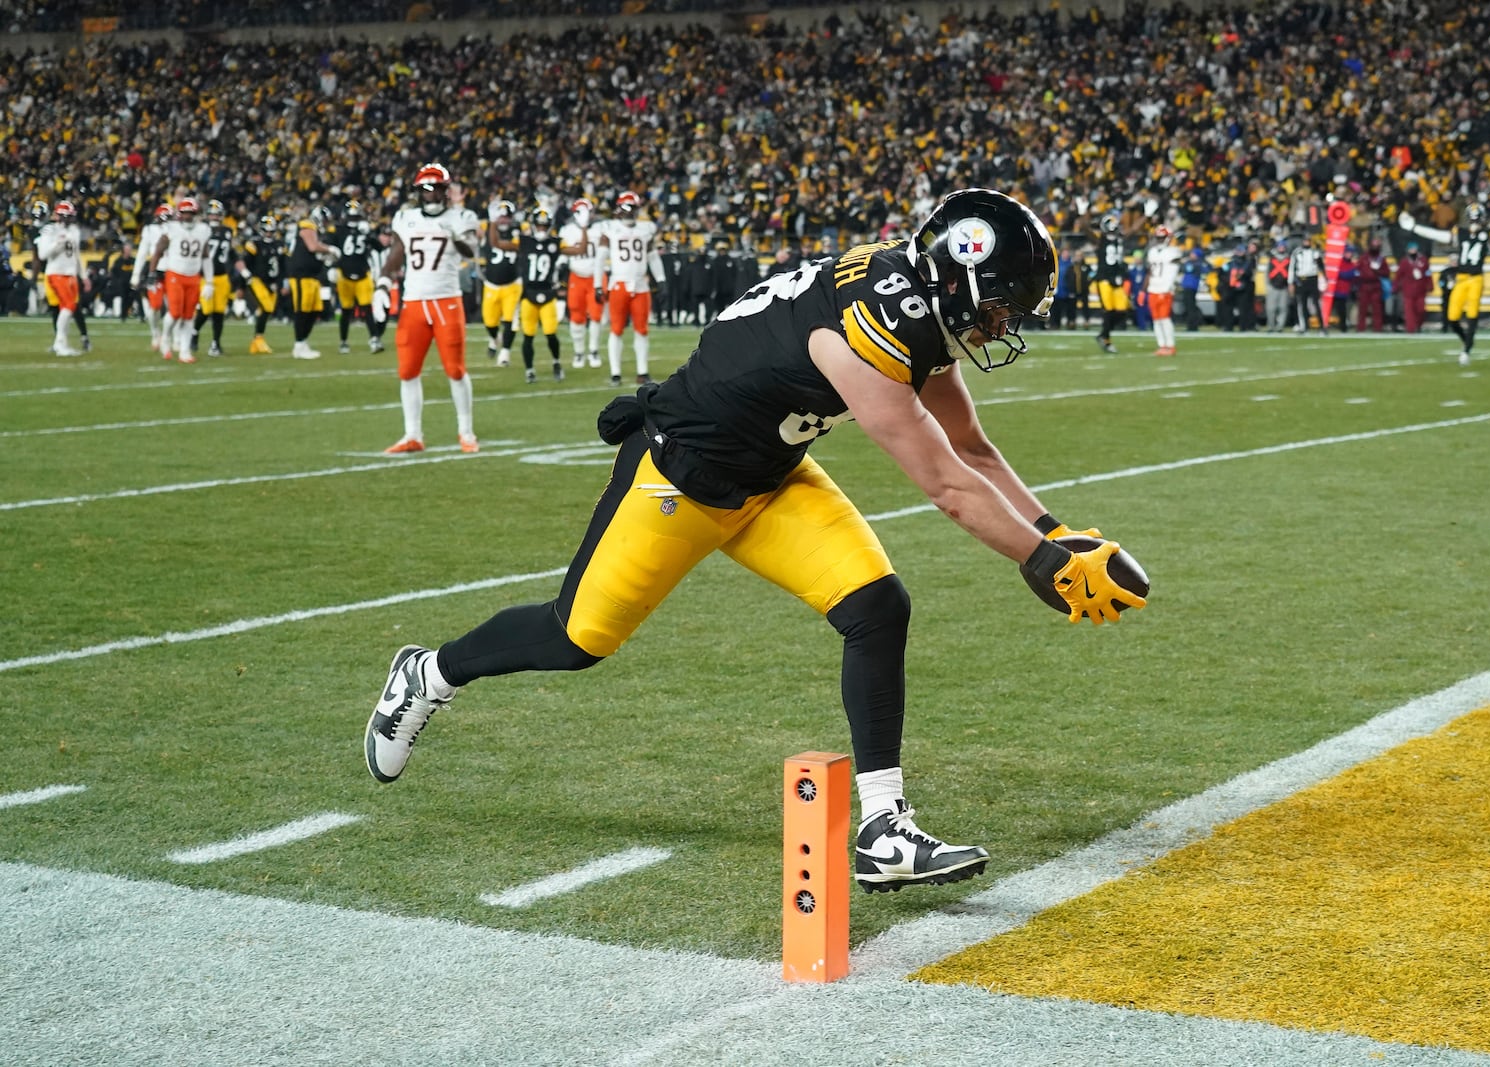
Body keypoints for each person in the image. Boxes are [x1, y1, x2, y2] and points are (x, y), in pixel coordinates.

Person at [362, 187, 1148, 894]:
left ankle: (882, 830)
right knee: (578, 637)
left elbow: (972, 446)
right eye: (1004, 302)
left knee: (878, 606)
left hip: (771, 476)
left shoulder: (919, 304)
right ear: (957, 275)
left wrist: (1056, 533)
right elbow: (944, 485)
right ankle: (430, 671)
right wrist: (1043, 562)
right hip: (679, 480)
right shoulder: (873, 323)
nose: (1006, 322)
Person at [371, 162, 481, 455]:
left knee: (455, 370)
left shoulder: (462, 217)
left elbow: (473, 250)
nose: (429, 195)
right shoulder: (405, 218)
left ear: (445, 191)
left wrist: (455, 237)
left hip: (446, 301)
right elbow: (397, 254)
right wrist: (383, 283)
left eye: (434, 189)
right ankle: (412, 434)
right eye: (424, 190)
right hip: (414, 302)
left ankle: (466, 432)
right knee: (407, 371)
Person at [1398, 201, 1490, 365]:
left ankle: (1466, 350)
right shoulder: (1460, 232)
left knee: (1472, 314)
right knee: (1452, 317)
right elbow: (1440, 236)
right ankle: (1467, 340)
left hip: (1476, 278)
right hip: (1461, 278)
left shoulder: (1488, 233)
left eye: (1476, 219)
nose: (1474, 222)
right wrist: (1414, 228)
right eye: (1472, 219)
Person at [596, 190, 667, 387]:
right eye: (627, 209)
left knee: (642, 330)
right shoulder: (609, 228)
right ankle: (615, 372)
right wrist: (597, 284)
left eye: (633, 209)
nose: (629, 213)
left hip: (641, 285)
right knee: (616, 329)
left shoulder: (645, 230)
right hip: (618, 283)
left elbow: (653, 257)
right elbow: (600, 259)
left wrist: (661, 280)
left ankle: (642, 371)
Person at [150, 198, 216, 363]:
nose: (187, 217)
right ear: (179, 214)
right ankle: (165, 338)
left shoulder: (203, 230)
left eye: (191, 213)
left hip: (194, 276)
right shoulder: (172, 229)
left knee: (189, 316)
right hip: (175, 274)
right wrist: (151, 273)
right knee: (175, 313)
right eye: (185, 213)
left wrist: (209, 281)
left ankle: (185, 351)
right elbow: (158, 251)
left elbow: (206, 257)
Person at [33, 200, 88, 357]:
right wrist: (58, 243)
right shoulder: (49, 230)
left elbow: (76, 255)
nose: (71, 219)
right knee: (68, 307)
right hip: (56, 272)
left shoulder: (74, 231)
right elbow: (43, 254)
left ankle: (61, 342)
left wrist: (83, 276)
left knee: (69, 308)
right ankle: (60, 343)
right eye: (69, 216)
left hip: (70, 274)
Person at [517, 205, 564, 383]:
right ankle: (529, 370)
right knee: (528, 335)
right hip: (529, 294)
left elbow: (579, 250)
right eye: (540, 225)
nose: (542, 229)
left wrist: (582, 229)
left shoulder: (556, 242)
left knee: (550, 332)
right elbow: (499, 244)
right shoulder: (524, 241)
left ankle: (556, 362)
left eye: (545, 226)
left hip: (548, 293)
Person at [286, 204, 337, 360]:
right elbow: (312, 246)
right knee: (303, 310)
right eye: (325, 220)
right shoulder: (307, 224)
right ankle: (298, 345)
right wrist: (330, 250)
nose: (327, 223)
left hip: (312, 276)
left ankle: (303, 342)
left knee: (314, 310)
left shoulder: (317, 230)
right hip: (302, 275)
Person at [559, 197, 605, 369]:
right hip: (576, 276)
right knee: (576, 315)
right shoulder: (567, 230)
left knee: (596, 315)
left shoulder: (601, 228)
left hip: (596, 276)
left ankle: (593, 350)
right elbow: (562, 252)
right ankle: (579, 352)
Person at [334, 199, 384, 355]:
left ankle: (374, 339)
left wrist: (369, 234)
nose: (353, 221)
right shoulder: (339, 231)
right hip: (344, 274)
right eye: (351, 218)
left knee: (367, 309)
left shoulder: (365, 229)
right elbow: (332, 248)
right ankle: (343, 341)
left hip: (363, 273)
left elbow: (379, 247)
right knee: (346, 310)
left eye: (355, 218)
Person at [237, 215, 287, 354]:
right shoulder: (254, 244)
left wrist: (283, 283)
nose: (269, 233)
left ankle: (256, 341)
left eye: (271, 231)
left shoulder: (279, 244)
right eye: (266, 230)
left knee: (267, 310)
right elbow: (245, 264)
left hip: (273, 283)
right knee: (266, 308)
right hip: (257, 280)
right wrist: (241, 286)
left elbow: (283, 267)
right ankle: (259, 339)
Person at [481, 199, 523, 366]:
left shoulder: (518, 232)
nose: (504, 220)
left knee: (510, 321)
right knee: (489, 322)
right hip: (491, 284)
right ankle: (494, 338)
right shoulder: (487, 230)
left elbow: (496, 243)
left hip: (512, 285)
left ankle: (505, 352)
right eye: (501, 217)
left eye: (507, 217)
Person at [131, 201, 173, 353]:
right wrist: (135, 274)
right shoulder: (149, 230)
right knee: (154, 306)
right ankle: (156, 333)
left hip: (174, 270)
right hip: (156, 271)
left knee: (174, 307)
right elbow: (142, 253)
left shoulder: (177, 230)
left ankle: (174, 337)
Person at [195, 200, 235, 357]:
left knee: (219, 312)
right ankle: (194, 331)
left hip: (222, 276)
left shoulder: (228, 231)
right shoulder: (201, 230)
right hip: (205, 276)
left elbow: (230, 252)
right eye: (211, 213)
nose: (214, 216)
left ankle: (215, 344)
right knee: (206, 310)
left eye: (216, 214)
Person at [1092, 212, 1128, 352]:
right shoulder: (1100, 241)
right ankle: (1106, 339)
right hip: (1104, 279)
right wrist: (1082, 213)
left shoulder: (1119, 240)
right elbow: (1085, 228)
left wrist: (1146, 216)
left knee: (1122, 311)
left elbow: (1133, 231)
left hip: (1116, 281)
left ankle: (1103, 335)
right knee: (1108, 311)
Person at [1145, 226, 1182, 356]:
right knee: (1156, 319)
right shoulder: (1152, 252)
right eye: (1158, 237)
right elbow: (1150, 271)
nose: (1160, 240)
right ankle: (1161, 345)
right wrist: (1143, 290)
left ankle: (1170, 345)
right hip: (1153, 288)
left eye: (1162, 237)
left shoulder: (1173, 252)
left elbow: (1174, 268)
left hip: (1165, 289)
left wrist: (1167, 288)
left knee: (1164, 318)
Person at [1289, 237, 1328, 335]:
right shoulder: (1297, 252)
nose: (1306, 242)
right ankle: (1304, 326)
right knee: (1302, 304)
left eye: (1308, 241)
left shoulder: (1315, 252)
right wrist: (1290, 282)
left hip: (1313, 279)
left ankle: (1322, 327)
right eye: (1305, 241)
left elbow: (1321, 266)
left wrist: (1325, 279)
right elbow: (1292, 267)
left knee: (1316, 304)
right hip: (1301, 280)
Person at [1354, 238, 1390, 332]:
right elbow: (1357, 270)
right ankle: (1361, 328)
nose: (1375, 247)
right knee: (1363, 308)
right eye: (1374, 246)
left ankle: (1377, 328)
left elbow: (1386, 272)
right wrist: (1358, 281)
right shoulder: (1364, 258)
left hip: (1376, 285)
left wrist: (1378, 271)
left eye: (1377, 246)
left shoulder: (1381, 259)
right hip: (1364, 286)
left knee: (1377, 309)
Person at [1395, 241, 1432, 333]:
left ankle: (1418, 325)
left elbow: (1428, 273)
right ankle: (1410, 329)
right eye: (1411, 249)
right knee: (1409, 311)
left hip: (1420, 288)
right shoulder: (1404, 261)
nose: (1413, 250)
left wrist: (1430, 285)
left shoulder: (1423, 260)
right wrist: (1395, 286)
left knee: (1421, 310)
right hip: (1408, 289)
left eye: (1414, 248)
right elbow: (1399, 275)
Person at [1264, 239, 1292, 331]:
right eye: (1280, 247)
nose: (1281, 248)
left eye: (1283, 247)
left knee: (1283, 308)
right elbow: (1267, 272)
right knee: (1271, 308)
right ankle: (1271, 326)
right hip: (1273, 286)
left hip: (1284, 287)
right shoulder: (1272, 259)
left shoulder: (1289, 259)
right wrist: (1267, 284)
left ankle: (1280, 326)